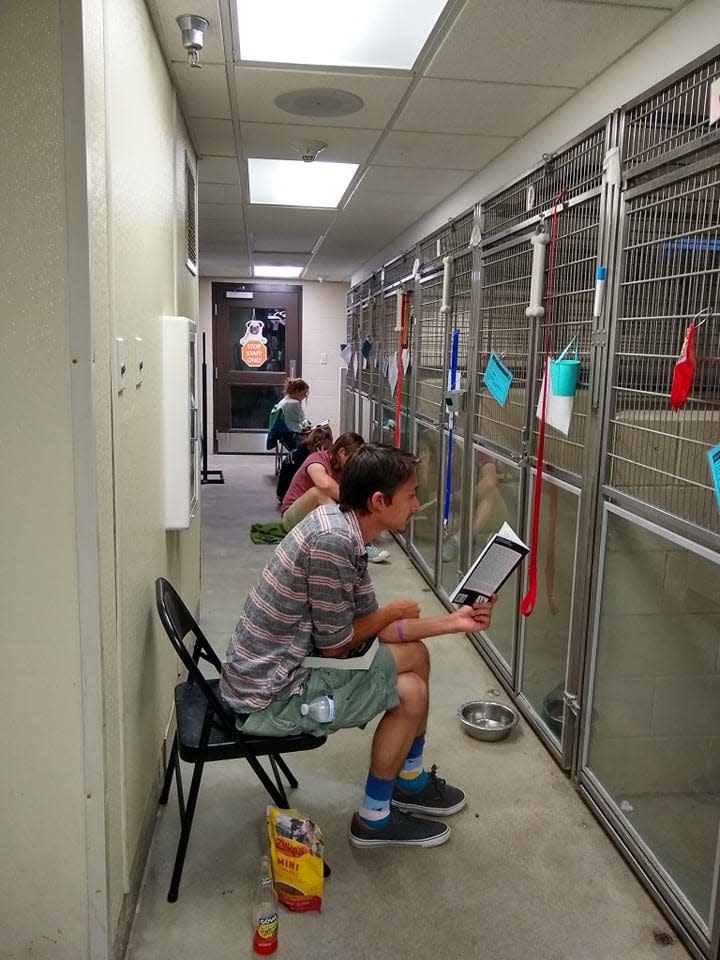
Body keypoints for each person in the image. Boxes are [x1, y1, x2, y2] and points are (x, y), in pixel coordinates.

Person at [220, 443, 497, 849]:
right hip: (270, 694)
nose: (418, 505)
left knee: (417, 655)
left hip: (282, 667)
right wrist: (390, 613)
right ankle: (373, 820)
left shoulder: (348, 528)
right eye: (411, 495)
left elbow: (371, 630)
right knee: (411, 691)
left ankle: (410, 780)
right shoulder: (333, 543)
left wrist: (455, 622)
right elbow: (338, 645)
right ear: (379, 500)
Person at [280, 432, 390, 564]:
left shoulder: (346, 470)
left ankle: (358, 539)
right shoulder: (317, 459)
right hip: (292, 519)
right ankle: (361, 544)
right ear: (342, 452)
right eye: (352, 460)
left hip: (313, 521)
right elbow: (324, 484)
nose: (354, 466)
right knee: (319, 493)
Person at [273, 377, 311, 449]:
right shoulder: (294, 403)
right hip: (293, 435)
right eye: (304, 393)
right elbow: (303, 422)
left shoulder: (283, 401)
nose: (305, 396)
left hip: (284, 435)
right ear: (297, 391)